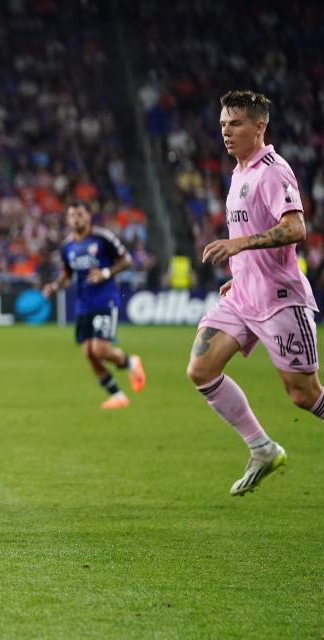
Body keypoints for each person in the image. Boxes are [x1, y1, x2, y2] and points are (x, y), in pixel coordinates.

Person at [187, 90, 320, 496]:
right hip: (243, 294)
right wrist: (241, 269)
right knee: (201, 369)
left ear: (259, 127)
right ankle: (262, 448)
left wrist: (240, 247)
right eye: (224, 124)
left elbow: (295, 228)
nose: (226, 131)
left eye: (236, 123)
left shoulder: (272, 171)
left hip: (280, 299)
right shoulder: (239, 171)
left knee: (303, 394)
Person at [43, 202, 146, 409]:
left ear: (88, 217)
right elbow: (67, 273)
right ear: (68, 220)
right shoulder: (67, 246)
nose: (76, 219)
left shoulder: (102, 237)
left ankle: (130, 363)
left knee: (100, 349)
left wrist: (105, 273)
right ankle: (117, 395)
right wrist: (54, 286)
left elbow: (126, 260)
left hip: (105, 299)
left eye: (80, 214)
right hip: (83, 303)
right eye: (72, 215)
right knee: (89, 353)